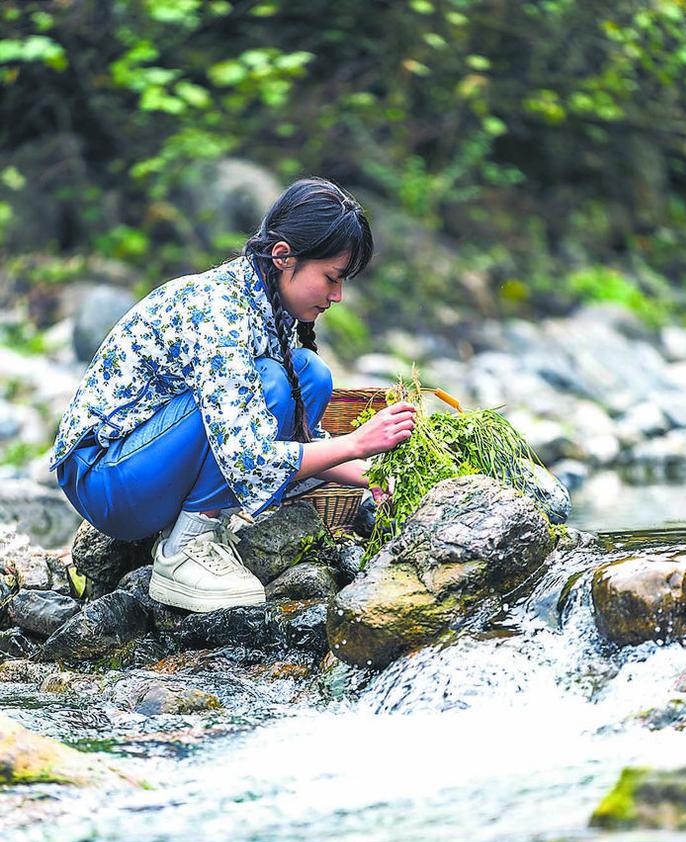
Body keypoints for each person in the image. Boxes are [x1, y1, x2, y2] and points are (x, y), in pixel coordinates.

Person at [51, 177, 417, 612]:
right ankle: (184, 550)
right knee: (274, 381)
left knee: (309, 374)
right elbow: (250, 455)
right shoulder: (220, 309)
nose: (337, 296)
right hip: (107, 479)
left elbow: (290, 440)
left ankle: (205, 522)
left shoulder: (267, 302)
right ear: (283, 257)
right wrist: (356, 443)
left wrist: (368, 475)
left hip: (148, 465)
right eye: (331, 278)